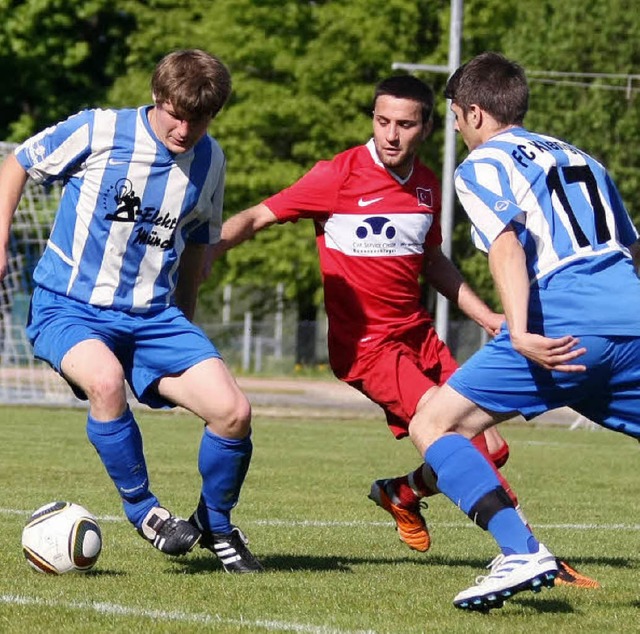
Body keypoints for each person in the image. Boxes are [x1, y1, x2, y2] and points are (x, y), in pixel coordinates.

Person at [204, 74, 594, 586]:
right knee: (459, 437)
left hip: (420, 337)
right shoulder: (337, 176)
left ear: (428, 127)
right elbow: (258, 216)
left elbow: (433, 262)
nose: (391, 134)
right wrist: (202, 256)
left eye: (405, 124)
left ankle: (400, 494)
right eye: (382, 120)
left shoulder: (430, 186)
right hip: (368, 347)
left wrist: (489, 318)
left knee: (494, 445)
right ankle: (528, 549)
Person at [0, 49, 262, 573]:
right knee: (105, 380)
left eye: (201, 119)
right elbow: (19, 162)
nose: (186, 129)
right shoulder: (98, 130)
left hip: (154, 320)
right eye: (177, 115)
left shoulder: (211, 161)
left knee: (234, 413)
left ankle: (215, 522)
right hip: (70, 307)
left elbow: (195, 247)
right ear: (157, 98)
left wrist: (186, 320)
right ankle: (144, 510)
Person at [403, 50, 640, 611]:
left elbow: (505, 244)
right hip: (631, 320)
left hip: (564, 324)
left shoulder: (483, 164)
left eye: (457, 117)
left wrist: (522, 330)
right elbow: (630, 248)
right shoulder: (584, 159)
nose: (458, 129)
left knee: (436, 422)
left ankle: (520, 551)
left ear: (476, 113)